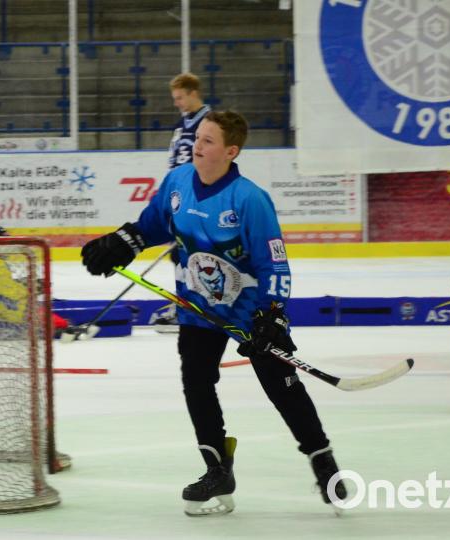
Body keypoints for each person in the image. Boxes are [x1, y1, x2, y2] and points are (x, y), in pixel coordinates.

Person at [80, 110, 346, 515]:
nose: (196, 147)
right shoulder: (178, 182)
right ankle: (217, 468)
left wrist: (273, 314)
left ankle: (323, 461)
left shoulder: (249, 199)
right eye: (197, 139)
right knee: (197, 382)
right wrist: (122, 242)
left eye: (206, 141)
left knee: (282, 387)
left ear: (230, 150)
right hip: (198, 307)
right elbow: (152, 225)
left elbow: (274, 263)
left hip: (249, 311)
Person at [153, 73, 211, 331]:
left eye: (179, 98)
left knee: (192, 254)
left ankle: (193, 307)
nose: (176, 102)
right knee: (179, 255)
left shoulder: (209, 122)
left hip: (195, 200)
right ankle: (187, 304)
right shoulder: (184, 123)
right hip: (178, 199)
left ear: (193, 93)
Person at [167, 72, 211, 170]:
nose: (176, 104)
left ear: (193, 94)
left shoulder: (212, 123)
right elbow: (172, 159)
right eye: (174, 99)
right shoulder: (179, 125)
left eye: (179, 98)